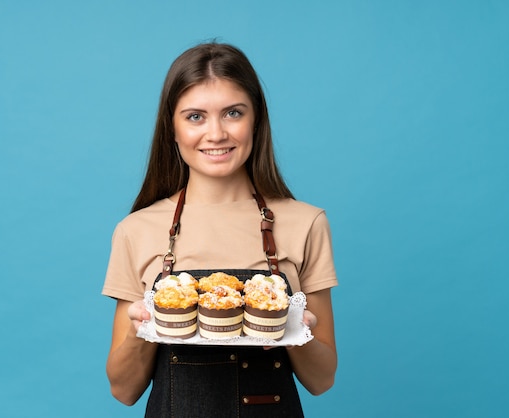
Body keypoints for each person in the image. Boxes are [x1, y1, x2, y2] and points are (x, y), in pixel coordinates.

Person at [102, 42, 338, 417]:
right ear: (172, 129)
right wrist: (140, 327)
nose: (216, 134)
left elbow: (322, 380)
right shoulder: (137, 230)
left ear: (256, 121)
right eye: (195, 116)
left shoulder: (306, 223)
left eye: (232, 113)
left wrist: (298, 331)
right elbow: (124, 390)